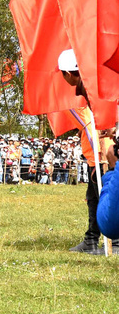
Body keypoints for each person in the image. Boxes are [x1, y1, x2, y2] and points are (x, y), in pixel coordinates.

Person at [57, 49, 118, 254]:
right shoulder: (86, 87)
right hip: (98, 152)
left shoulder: (90, 89)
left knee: (109, 196)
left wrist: (99, 157)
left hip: (103, 152)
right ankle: (91, 240)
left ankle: (115, 243)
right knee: (93, 197)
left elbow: (95, 124)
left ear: (67, 74)